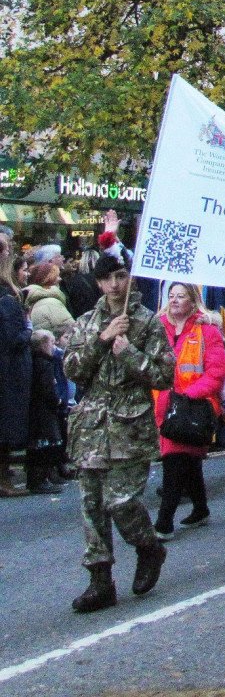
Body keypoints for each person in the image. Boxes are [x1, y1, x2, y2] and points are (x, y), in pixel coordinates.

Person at [63, 254, 175, 612]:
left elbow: (163, 376)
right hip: (92, 425)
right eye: (107, 278)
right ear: (97, 283)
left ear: (129, 278)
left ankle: (148, 547)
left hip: (130, 424)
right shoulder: (86, 322)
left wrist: (128, 352)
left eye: (121, 276)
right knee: (92, 504)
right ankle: (100, 580)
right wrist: (102, 340)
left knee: (122, 502)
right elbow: (73, 370)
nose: (114, 284)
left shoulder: (148, 323)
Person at [152, 283, 225, 540]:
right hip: (164, 404)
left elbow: (216, 372)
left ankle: (164, 523)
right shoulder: (157, 328)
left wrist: (188, 396)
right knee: (188, 459)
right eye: (171, 296)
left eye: (180, 296)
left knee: (175, 459)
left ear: (193, 300)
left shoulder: (208, 331)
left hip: (194, 407)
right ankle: (201, 508)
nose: (174, 301)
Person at [0, 233, 32, 497]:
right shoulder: (6, 298)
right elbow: (13, 337)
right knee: (6, 424)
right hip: (8, 369)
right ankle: (2, 477)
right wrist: (31, 331)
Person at [25, 329, 65, 495]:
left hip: (36, 411)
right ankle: (40, 479)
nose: (54, 346)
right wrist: (57, 400)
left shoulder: (33, 362)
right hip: (44, 412)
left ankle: (42, 477)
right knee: (44, 448)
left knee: (39, 447)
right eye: (51, 343)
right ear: (43, 345)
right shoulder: (45, 364)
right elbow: (47, 387)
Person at [24, 263, 75, 338]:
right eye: (57, 276)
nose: (60, 279)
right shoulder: (51, 303)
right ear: (48, 279)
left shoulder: (33, 300)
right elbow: (73, 330)